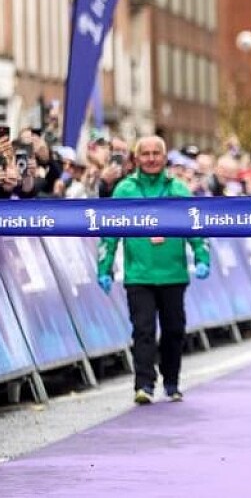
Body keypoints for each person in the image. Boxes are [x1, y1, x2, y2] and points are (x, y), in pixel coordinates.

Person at [96, 136, 212, 405]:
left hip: (173, 274)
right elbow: (109, 232)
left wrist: (202, 257)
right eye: (145, 154)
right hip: (139, 275)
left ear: (164, 157)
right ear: (136, 158)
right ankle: (144, 385)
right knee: (143, 331)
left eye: (155, 153)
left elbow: (196, 227)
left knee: (174, 331)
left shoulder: (179, 189)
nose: (150, 158)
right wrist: (105, 267)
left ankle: (171, 382)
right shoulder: (124, 190)